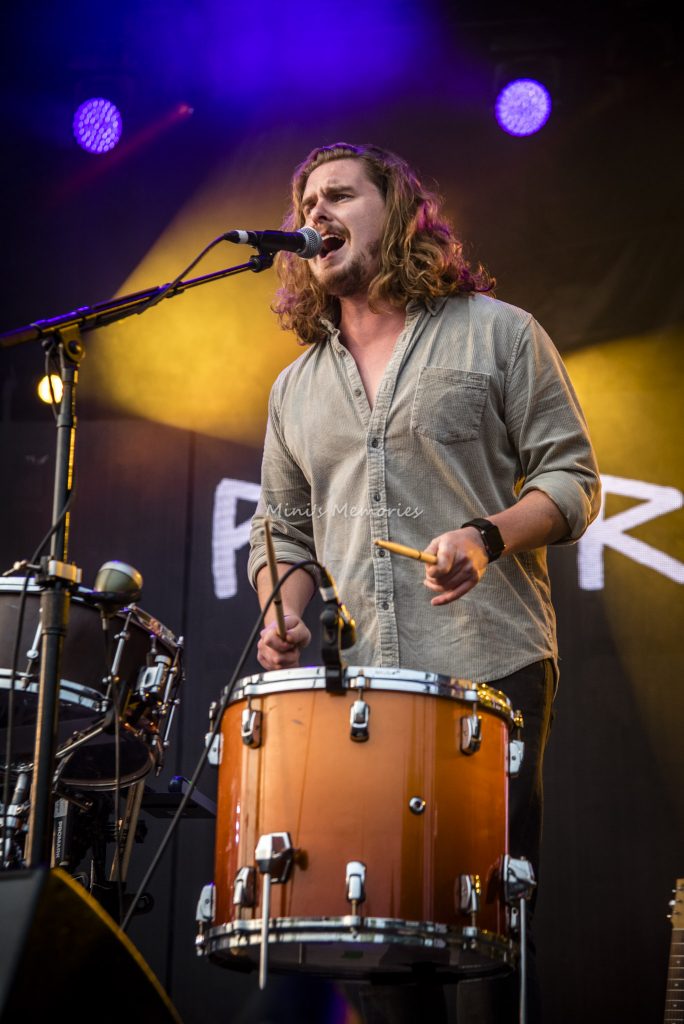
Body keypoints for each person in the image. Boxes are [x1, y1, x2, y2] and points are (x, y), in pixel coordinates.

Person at [247, 142, 601, 1022]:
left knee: (481, 947)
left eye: (339, 195)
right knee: (376, 953)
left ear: (398, 211)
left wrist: (486, 537)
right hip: (363, 697)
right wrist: (284, 610)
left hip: (488, 668)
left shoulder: (499, 332)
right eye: (306, 202)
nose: (316, 213)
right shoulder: (294, 388)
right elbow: (280, 530)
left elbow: (572, 479)